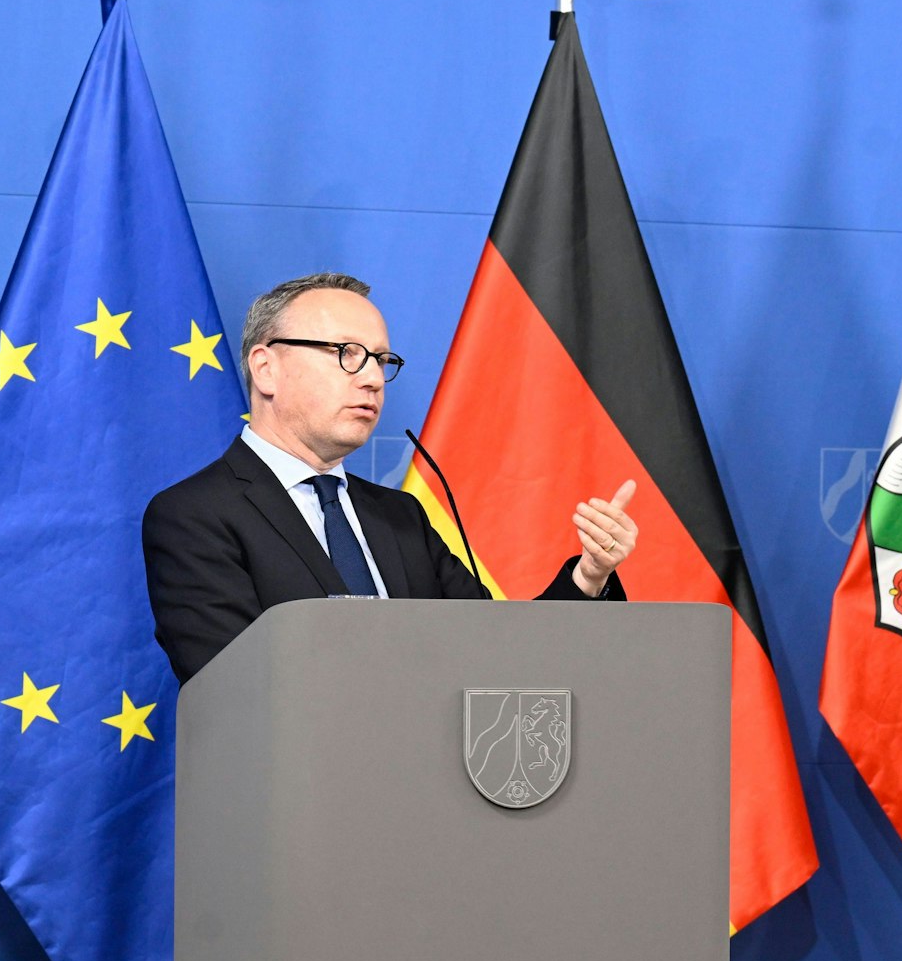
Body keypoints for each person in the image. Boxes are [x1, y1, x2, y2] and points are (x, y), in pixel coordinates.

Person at [143, 272, 639, 682]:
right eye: (347, 353)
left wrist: (589, 574)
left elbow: (502, 652)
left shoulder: (399, 516)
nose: (373, 378)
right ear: (266, 368)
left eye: (381, 360)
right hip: (300, 793)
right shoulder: (194, 515)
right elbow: (233, 683)